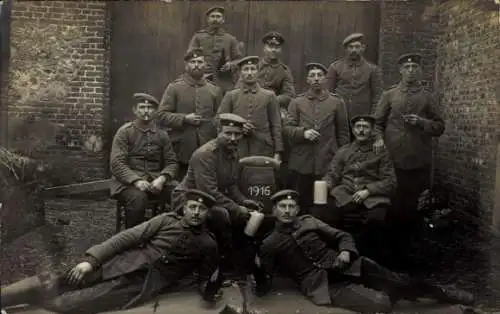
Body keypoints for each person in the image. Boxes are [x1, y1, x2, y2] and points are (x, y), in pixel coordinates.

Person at [1, 190, 223, 314]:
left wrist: (210, 289)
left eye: (202, 209)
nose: (196, 213)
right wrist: (91, 260)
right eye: (192, 207)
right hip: (119, 264)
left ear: (207, 214)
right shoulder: (166, 221)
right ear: (184, 208)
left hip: (139, 285)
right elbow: (126, 237)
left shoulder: (207, 244)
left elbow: (204, 279)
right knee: (54, 279)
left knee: (68, 304)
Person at [257, 189, 475, 313]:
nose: (287, 211)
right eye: (282, 207)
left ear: (297, 209)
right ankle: (399, 292)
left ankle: (445, 293)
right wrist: (257, 267)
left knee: (399, 279)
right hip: (324, 284)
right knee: (381, 304)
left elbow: (342, 236)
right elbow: (264, 281)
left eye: (291, 206)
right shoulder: (270, 243)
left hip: (346, 264)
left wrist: (345, 252)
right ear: (274, 210)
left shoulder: (309, 221)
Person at [373, 53, 445, 270]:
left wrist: (422, 122)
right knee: (393, 207)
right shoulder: (389, 95)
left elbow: (440, 126)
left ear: (420, 70)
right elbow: (377, 123)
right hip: (393, 160)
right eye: (407, 66)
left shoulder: (428, 97)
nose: (411, 70)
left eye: (415, 66)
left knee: (413, 209)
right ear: (400, 71)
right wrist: (378, 138)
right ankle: (390, 256)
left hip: (418, 162)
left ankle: (411, 256)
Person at [171, 113, 264, 275]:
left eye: (237, 134)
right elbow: (208, 190)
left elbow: (231, 184)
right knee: (223, 215)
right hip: (188, 199)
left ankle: (239, 260)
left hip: (211, 197)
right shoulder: (205, 154)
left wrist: (244, 201)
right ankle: (220, 264)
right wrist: (236, 208)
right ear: (218, 132)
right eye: (228, 133)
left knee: (249, 214)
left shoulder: (232, 152)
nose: (233, 138)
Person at [314, 115, 395, 262]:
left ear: (371, 130)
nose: (361, 130)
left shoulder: (381, 152)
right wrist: (325, 184)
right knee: (326, 215)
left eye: (365, 127)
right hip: (345, 194)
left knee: (376, 221)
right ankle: (334, 256)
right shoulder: (343, 151)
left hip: (372, 197)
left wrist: (368, 190)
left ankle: (367, 260)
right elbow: (332, 174)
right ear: (353, 130)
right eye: (358, 127)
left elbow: (390, 181)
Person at [285, 62, 350, 212]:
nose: (316, 79)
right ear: (307, 80)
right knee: (301, 203)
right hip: (302, 163)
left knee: (324, 205)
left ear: (325, 79)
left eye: (319, 75)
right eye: (312, 76)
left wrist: (341, 160)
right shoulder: (297, 102)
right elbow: (287, 128)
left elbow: (343, 135)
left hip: (327, 162)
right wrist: (303, 133)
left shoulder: (336, 102)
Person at [110, 93, 178, 228]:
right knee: (138, 198)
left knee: (179, 193)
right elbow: (117, 163)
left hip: (155, 182)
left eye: (150, 107)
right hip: (127, 184)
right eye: (142, 107)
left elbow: (172, 162)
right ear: (134, 110)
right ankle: (133, 239)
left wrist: (162, 179)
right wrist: (136, 180)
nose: (146, 111)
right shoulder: (124, 132)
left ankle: (170, 235)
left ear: (155, 111)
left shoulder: (162, 134)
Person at [157, 48, 222, 180]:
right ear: (186, 65)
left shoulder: (214, 90)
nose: (196, 65)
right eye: (193, 62)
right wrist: (184, 118)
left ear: (205, 65)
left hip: (207, 147)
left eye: (200, 62)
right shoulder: (174, 88)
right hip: (182, 149)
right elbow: (161, 115)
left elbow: (220, 118)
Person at [218, 56, 283, 162]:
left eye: (253, 69)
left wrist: (277, 152)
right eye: (245, 69)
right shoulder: (231, 96)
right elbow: (219, 121)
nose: (249, 73)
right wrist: (238, 127)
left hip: (262, 148)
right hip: (236, 148)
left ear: (258, 72)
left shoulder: (269, 96)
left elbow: (276, 125)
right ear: (240, 73)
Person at [326, 33, 383, 124]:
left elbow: (378, 95)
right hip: (340, 116)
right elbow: (328, 93)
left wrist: (372, 116)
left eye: (357, 46)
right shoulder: (335, 67)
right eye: (350, 47)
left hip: (363, 117)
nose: (354, 50)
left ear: (363, 48)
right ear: (346, 49)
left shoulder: (372, 69)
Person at [188, 6, 243, 93]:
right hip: (203, 78)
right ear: (208, 19)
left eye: (218, 16)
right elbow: (189, 56)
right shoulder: (198, 37)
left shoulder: (230, 39)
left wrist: (230, 65)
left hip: (224, 80)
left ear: (223, 20)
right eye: (212, 16)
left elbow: (239, 60)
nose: (215, 19)